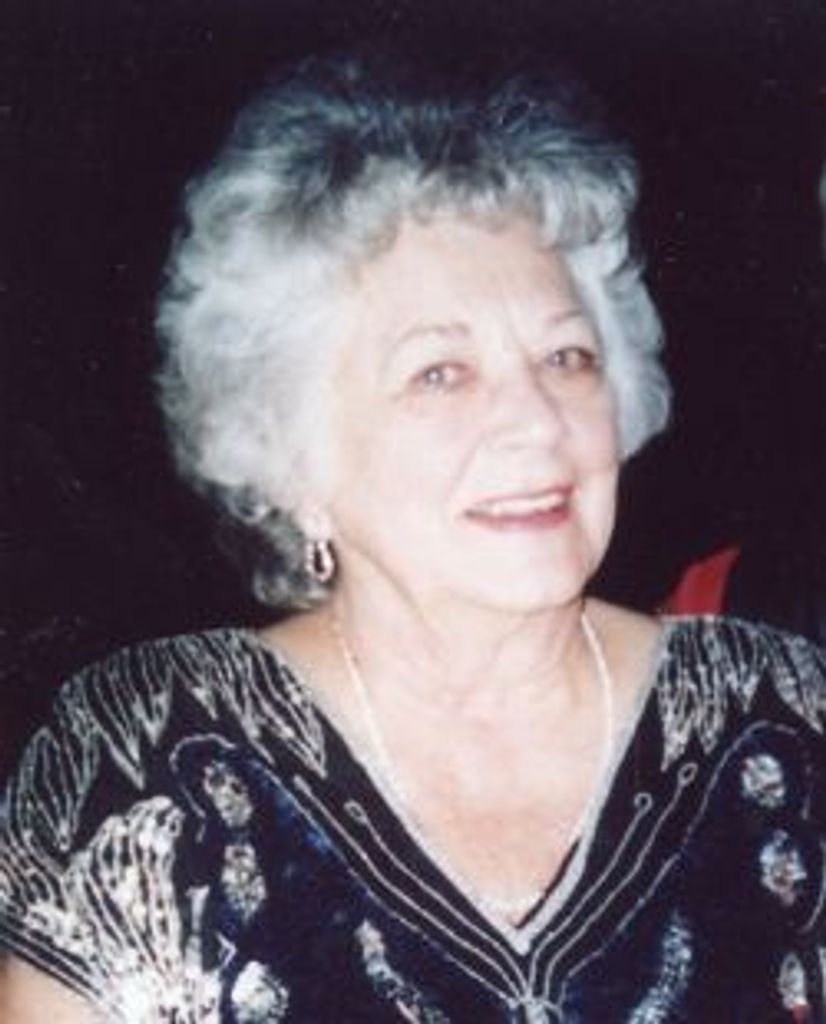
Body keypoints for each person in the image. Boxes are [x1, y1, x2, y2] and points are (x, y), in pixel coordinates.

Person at [1, 53, 825, 1023]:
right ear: (289, 451)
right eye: (440, 373)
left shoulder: (784, 719)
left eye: (566, 356)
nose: (536, 422)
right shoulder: (148, 760)